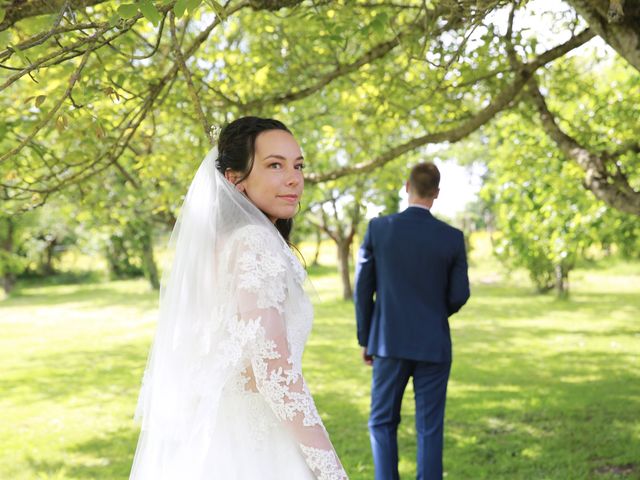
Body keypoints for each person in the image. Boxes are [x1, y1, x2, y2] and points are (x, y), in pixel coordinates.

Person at [130, 117, 348, 479]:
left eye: (298, 165)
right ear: (235, 179)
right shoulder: (254, 243)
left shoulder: (219, 246)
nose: (294, 178)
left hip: (212, 439)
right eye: (275, 165)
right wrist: (330, 470)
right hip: (257, 451)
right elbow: (275, 371)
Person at [354, 162, 470, 480]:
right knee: (429, 427)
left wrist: (366, 338)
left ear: (407, 187)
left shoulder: (379, 229)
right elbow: (460, 294)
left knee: (382, 421)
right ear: (437, 193)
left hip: (388, 341)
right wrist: (433, 312)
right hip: (434, 343)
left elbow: (363, 289)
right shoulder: (452, 237)